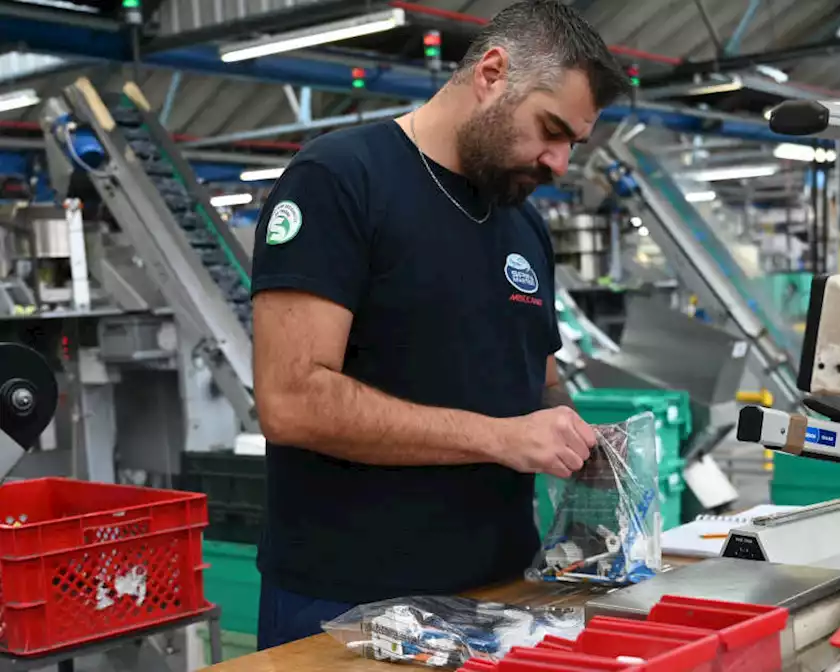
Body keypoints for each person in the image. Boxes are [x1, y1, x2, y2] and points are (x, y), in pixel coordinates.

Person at [249, 0, 631, 649]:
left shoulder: (523, 224)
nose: (560, 162)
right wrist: (502, 438)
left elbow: (536, 375)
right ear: (491, 73)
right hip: (350, 604)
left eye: (573, 143)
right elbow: (292, 402)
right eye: (550, 128)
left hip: (503, 594)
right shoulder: (340, 181)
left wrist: (583, 442)